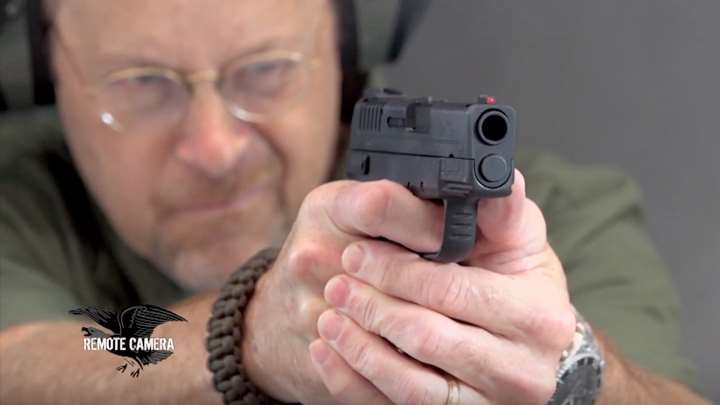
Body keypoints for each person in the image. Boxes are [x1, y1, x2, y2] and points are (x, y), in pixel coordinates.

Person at [0, 0, 710, 404]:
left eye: (266, 71)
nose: (213, 146)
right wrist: (245, 336)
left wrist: (575, 374)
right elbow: (24, 358)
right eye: (141, 83)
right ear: (44, 75)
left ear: (343, 53)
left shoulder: (558, 215)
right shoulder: (21, 208)